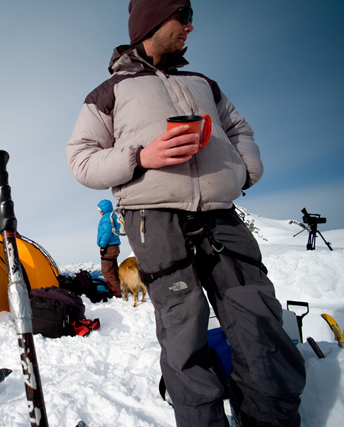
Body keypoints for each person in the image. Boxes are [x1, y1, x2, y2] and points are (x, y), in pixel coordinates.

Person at [66, 1, 306, 426]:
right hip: (154, 221)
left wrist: (246, 169)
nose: (190, 29)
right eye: (183, 18)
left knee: (259, 320)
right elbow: (82, 161)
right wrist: (141, 155)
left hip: (221, 215)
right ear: (152, 22)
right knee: (184, 332)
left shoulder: (203, 83)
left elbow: (239, 129)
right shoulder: (109, 93)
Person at [97, 199, 122, 298]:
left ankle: (116, 294)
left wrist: (103, 246)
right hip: (115, 246)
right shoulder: (113, 216)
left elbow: (107, 232)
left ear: (102, 209)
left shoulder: (106, 218)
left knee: (107, 271)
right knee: (114, 270)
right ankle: (121, 289)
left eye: (99, 209)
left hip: (109, 246)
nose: (99, 211)